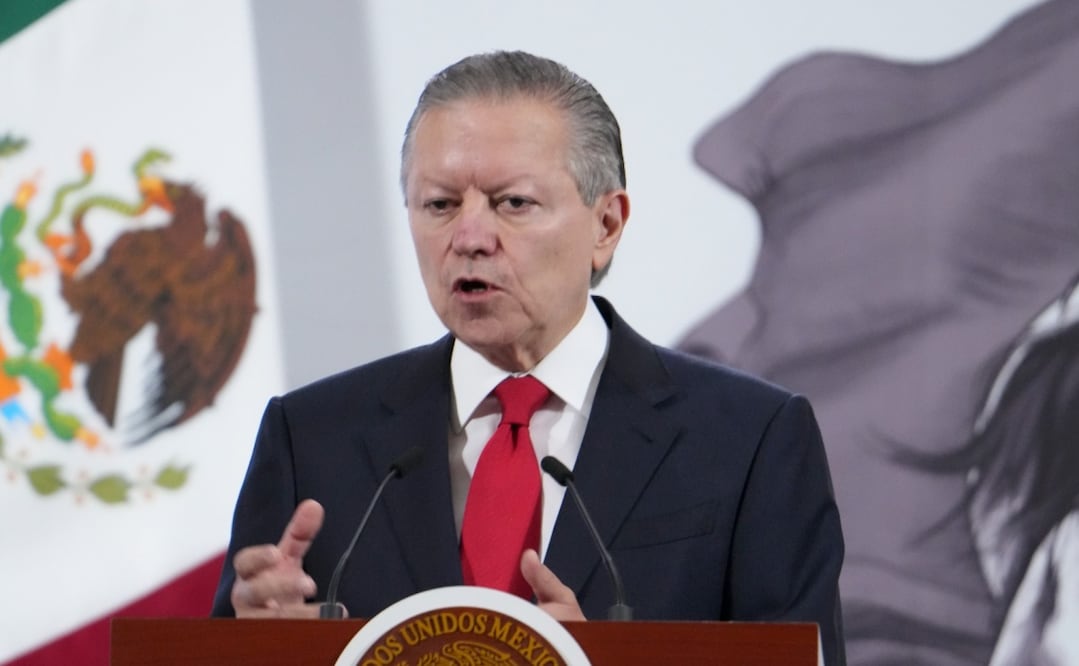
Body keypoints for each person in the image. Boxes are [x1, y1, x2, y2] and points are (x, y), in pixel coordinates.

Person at [211, 50, 846, 665]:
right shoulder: (313, 439)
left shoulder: (748, 440)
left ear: (606, 225)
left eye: (512, 203)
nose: (469, 237)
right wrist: (253, 647)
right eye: (439, 204)